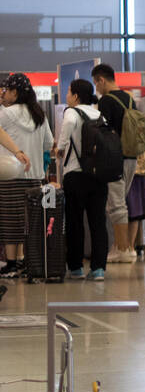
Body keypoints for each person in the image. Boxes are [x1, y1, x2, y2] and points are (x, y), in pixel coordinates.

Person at [56, 79, 110, 281]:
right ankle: (98, 269)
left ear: (76, 96)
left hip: (75, 175)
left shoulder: (72, 112)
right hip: (98, 176)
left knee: (75, 222)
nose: (67, 95)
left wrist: (60, 147)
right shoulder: (98, 113)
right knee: (98, 222)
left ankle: (76, 267)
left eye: (69, 91)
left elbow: (69, 124)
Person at [0, 74, 50, 278]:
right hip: (35, 174)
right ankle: (23, 260)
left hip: (10, 172)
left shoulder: (6, 113)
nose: (4, 93)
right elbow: (48, 143)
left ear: (15, 92)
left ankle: (12, 263)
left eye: (7, 90)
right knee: (27, 221)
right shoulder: (39, 114)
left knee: (10, 218)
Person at [91, 63, 140, 265]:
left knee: (116, 206)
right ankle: (124, 247)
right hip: (132, 157)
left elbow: (104, 135)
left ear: (102, 80)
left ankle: (123, 250)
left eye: (96, 83)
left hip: (114, 159)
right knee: (120, 202)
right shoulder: (129, 98)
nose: (97, 88)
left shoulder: (106, 102)